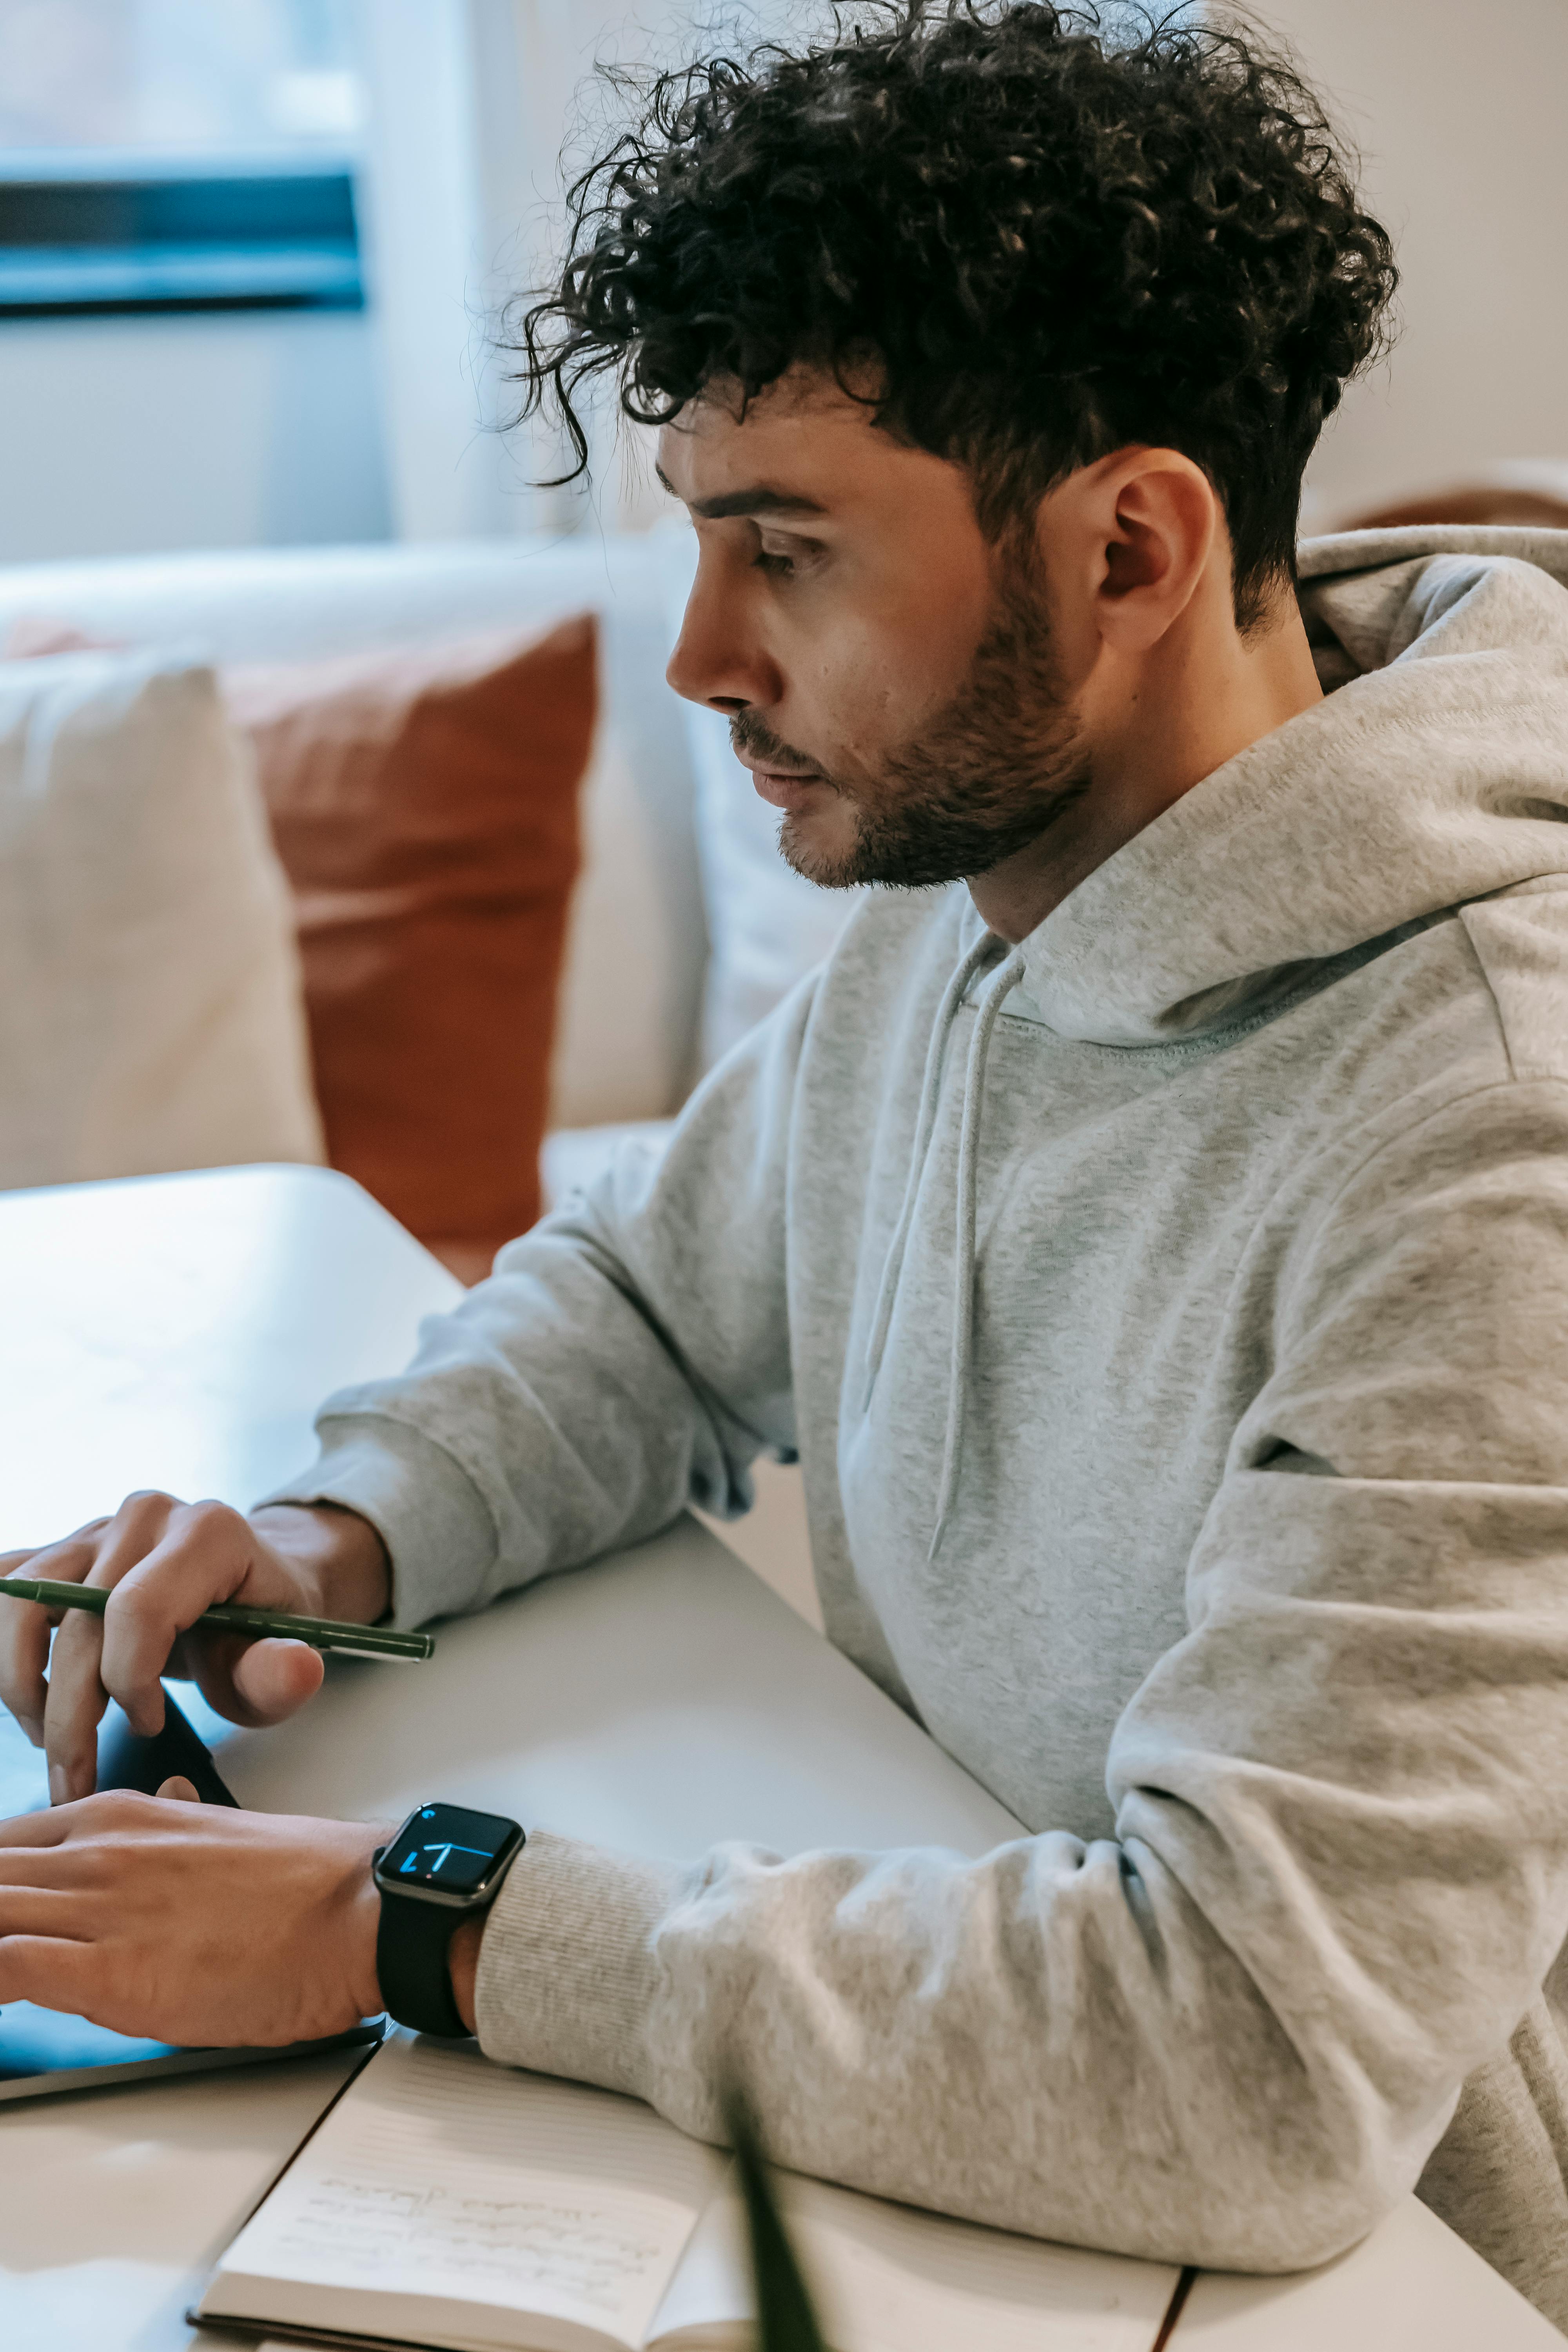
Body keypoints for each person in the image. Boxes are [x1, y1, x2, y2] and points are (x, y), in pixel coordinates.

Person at [5, 0, 1568, 2326]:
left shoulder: (1485, 1125)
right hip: (953, 2105)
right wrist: (351, 1524)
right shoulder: (989, 875)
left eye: (789, 552)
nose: (705, 657)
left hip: (1360, 2281)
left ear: (1132, 545)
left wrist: (408, 1915)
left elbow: (1252, 2055)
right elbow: (654, 1291)